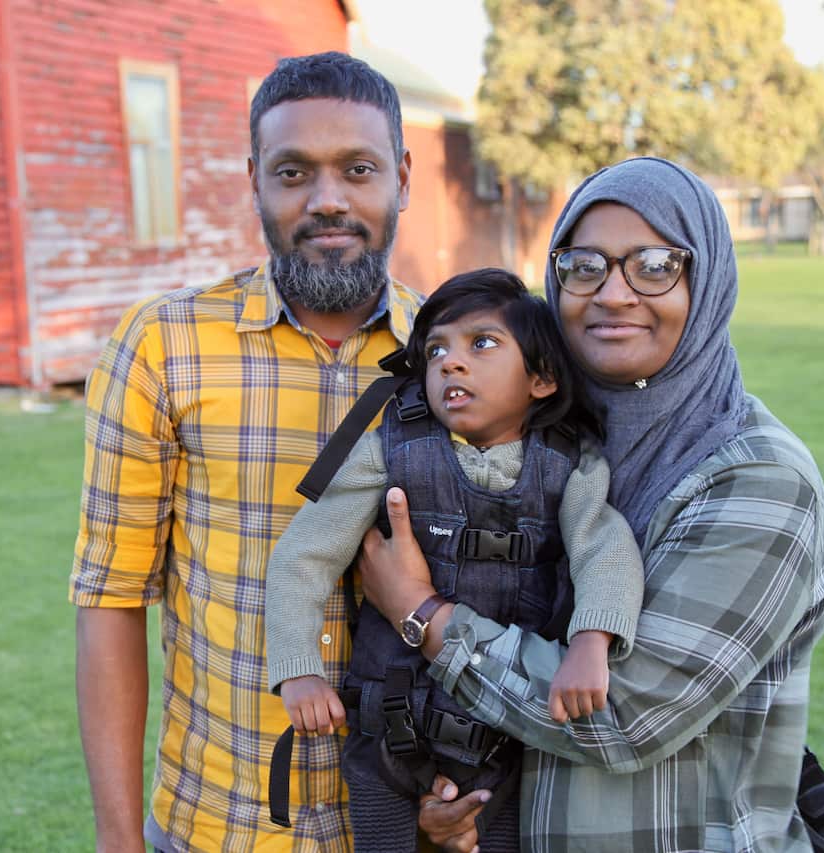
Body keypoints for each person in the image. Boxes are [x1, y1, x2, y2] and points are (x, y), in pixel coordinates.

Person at [356, 157, 824, 852]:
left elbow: (621, 715)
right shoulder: (553, 452)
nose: (613, 292)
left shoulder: (760, 483)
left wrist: (424, 616)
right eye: (583, 265)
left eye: (654, 264)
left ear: (705, 283)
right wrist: (449, 805)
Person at [69, 52, 420, 852]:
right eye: (293, 171)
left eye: (358, 169)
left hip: (405, 828)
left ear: (402, 175)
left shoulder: (463, 356)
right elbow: (109, 598)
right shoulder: (164, 346)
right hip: (217, 826)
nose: (327, 199)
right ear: (254, 178)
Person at [265, 269, 645, 852]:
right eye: (436, 349)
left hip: (508, 738)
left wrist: (592, 642)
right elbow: (303, 555)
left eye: (482, 343)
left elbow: (606, 551)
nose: (451, 363)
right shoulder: (389, 451)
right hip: (387, 732)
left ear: (541, 378)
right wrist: (298, 668)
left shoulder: (570, 466)